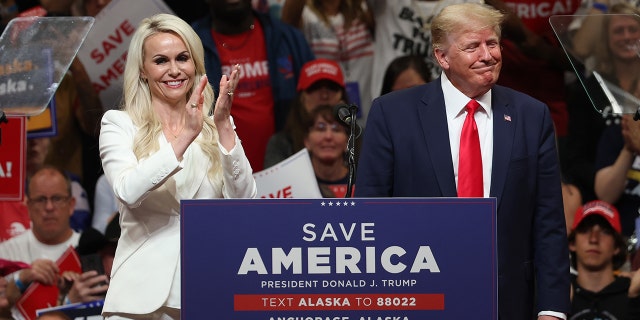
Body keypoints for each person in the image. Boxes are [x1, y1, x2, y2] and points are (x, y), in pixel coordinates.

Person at [355, 3, 570, 319]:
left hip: (508, 301)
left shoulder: (531, 116)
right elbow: (370, 216)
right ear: (442, 57)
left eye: (492, 43)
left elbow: (549, 223)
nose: (487, 55)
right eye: (473, 46)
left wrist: (552, 310)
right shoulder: (392, 114)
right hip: (418, 299)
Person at [98, 13, 257, 319]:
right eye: (160, 61)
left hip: (207, 289)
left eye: (182, 58)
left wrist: (223, 124)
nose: (174, 70)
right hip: (138, 299)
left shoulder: (215, 129)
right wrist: (185, 135)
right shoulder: (119, 124)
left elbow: (244, 204)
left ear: (195, 64)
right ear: (143, 71)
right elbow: (127, 192)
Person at [192, 0, 315, 172]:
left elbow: (315, 107)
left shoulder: (288, 38)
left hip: (285, 169)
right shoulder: (190, 44)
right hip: (216, 170)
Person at [0, 166, 82, 319]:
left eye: (57, 198)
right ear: (28, 206)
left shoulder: (88, 251)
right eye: (40, 200)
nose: (49, 207)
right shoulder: (5, 253)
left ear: (71, 205)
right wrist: (20, 280)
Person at [280, 0, 375, 125]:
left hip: (369, 106)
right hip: (326, 117)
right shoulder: (307, 16)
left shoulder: (363, 10)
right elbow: (286, 25)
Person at [263, 58, 348, 169]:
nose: (324, 96)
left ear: (342, 97)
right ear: (302, 97)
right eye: (315, 88)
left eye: (331, 88)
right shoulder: (281, 143)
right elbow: (274, 184)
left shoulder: (359, 138)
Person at [568, 200, 640, 319]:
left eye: (605, 231)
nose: (594, 239)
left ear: (617, 246)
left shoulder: (634, 291)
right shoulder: (558, 293)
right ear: (572, 243)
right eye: (585, 230)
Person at [303, 104, 353, 197]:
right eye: (321, 129)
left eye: (336, 129)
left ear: (347, 142)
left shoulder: (362, 185)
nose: (328, 136)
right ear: (307, 141)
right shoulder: (293, 185)